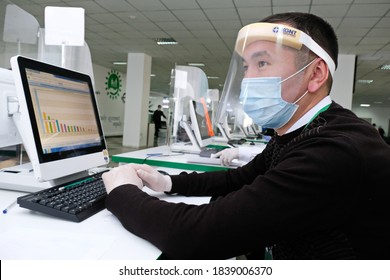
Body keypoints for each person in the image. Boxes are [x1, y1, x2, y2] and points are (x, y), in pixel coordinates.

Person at [102, 12, 390, 259]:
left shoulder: (334, 150)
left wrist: (121, 192)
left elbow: (196, 236)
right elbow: (237, 179)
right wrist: (167, 182)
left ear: (315, 74)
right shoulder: (297, 132)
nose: (249, 79)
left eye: (262, 64)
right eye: (247, 67)